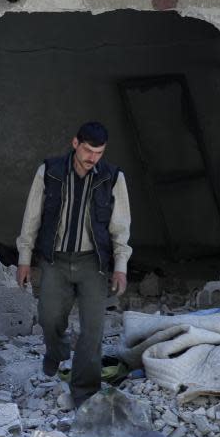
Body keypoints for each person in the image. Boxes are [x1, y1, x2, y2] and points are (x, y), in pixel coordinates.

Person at [15, 121, 132, 407]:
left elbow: (121, 226)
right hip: (55, 259)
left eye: (99, 153)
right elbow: (32, 217)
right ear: (75, 143)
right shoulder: (50, 171)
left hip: (94, 263)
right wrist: (24, 259)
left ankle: (84, 393)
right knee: (49, 317)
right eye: (89, 151)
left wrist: (121, 266)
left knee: (93, 330)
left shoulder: (112, 177)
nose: (93, 158)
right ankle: (56, 352)